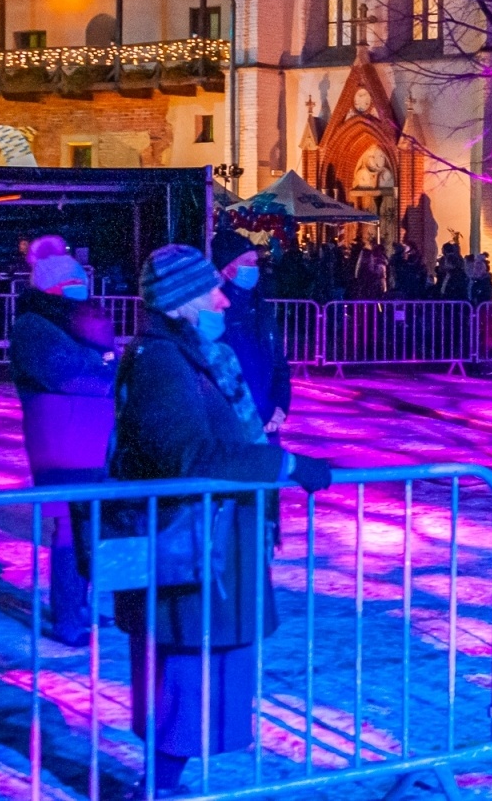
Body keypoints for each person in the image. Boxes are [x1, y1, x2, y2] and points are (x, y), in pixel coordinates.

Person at [111, 245, 331, 799]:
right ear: (181, 302)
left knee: (200, 673)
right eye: (208, 289)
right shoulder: (162, 360)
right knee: (186, 673)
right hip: (189, 547)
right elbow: (189, 456)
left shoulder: (201, 355)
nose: (221, 297)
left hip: (216, 543)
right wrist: (284, 464)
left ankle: (163, 784)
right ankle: (157, 787)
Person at [8, 247, 116, 646]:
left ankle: (80, 605)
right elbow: (69, 374)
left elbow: (106, 362)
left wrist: (104, 366)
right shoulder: (35, 326)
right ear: (52, 286)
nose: (80, 287)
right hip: (60, 439)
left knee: (88, 524)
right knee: (70, 528)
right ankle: (68, 616)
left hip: (92, 435)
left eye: (81, 280)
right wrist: (105, 370)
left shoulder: (81, 321)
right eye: (71, 282)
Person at [212, 231, 292, 441]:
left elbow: (279, 366)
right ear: (228, 269)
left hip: (267, 427)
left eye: (255, 262)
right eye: (248, 262)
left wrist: (280, 406)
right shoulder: (215, 314)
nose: (255, 268)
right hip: (233, 430)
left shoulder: (262, 309)